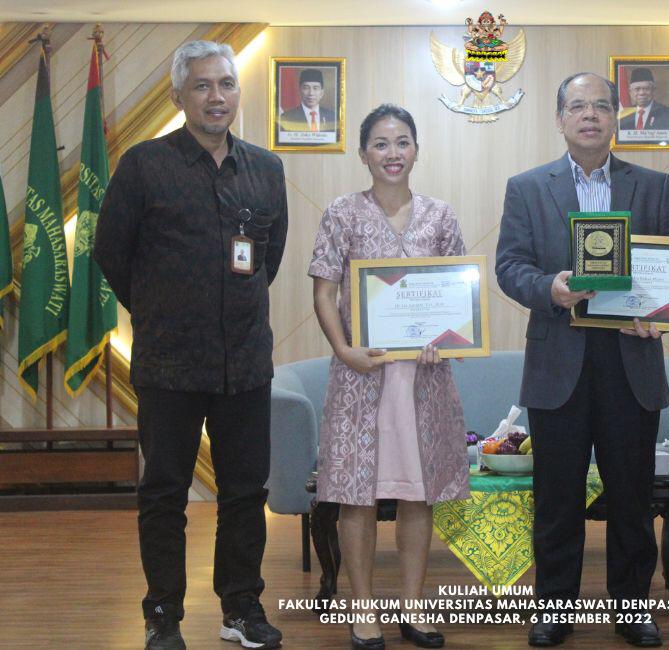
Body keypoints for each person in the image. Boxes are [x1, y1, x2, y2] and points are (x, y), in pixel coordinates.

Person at [95, 40, 287, 650]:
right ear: (178, 96)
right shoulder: (143, 165)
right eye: (202, 86)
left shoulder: (266, 168)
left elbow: (268, 259)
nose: (216, 97)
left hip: (247, 363)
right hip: (170, 362)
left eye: (226, 85)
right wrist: (158, 311)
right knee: (164, 494)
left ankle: (241, 610)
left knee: (244, 491)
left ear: (238, 92)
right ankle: (163, 616)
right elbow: (111, 254)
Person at [496, 72, 669, 648]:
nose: (591, 115)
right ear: (560, 119)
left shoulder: (652, 185)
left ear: (615, 117)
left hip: (631, 359)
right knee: (557, 499)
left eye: (602, 105)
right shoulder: (527, 187)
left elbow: (668, 266)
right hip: (559, 363)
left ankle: (632, 611)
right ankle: (554, 610)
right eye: (578, 106)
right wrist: (547, 287)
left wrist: (659, 311)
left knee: (631, 497)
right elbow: (509, 266)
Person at [309, 103, 470, 650]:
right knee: (356, 498)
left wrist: (444, 341)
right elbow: (324, 292)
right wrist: (344, 349)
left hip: (423, 380)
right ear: (363, 154)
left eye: (403, 142)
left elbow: (455, 296)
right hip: (362, 376)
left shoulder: (441, 216)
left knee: (417, 496)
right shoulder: (341, 214)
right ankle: (363, 612)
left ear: (417, 150)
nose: (392, 153)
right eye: (380, 143)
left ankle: (415, 608)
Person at [617, 67, 669, 132]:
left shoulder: (668, 114)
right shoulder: (623, 115)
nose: (642, 93)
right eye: (637, 89)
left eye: (646, 89)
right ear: (630, 92)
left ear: (653, 90)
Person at [279, 68, 336, 132]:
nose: (311, 93)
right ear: (300, 91)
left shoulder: (332, 117)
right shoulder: (286, 118)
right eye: (306, 88)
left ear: (322, 93)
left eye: (315, 88)